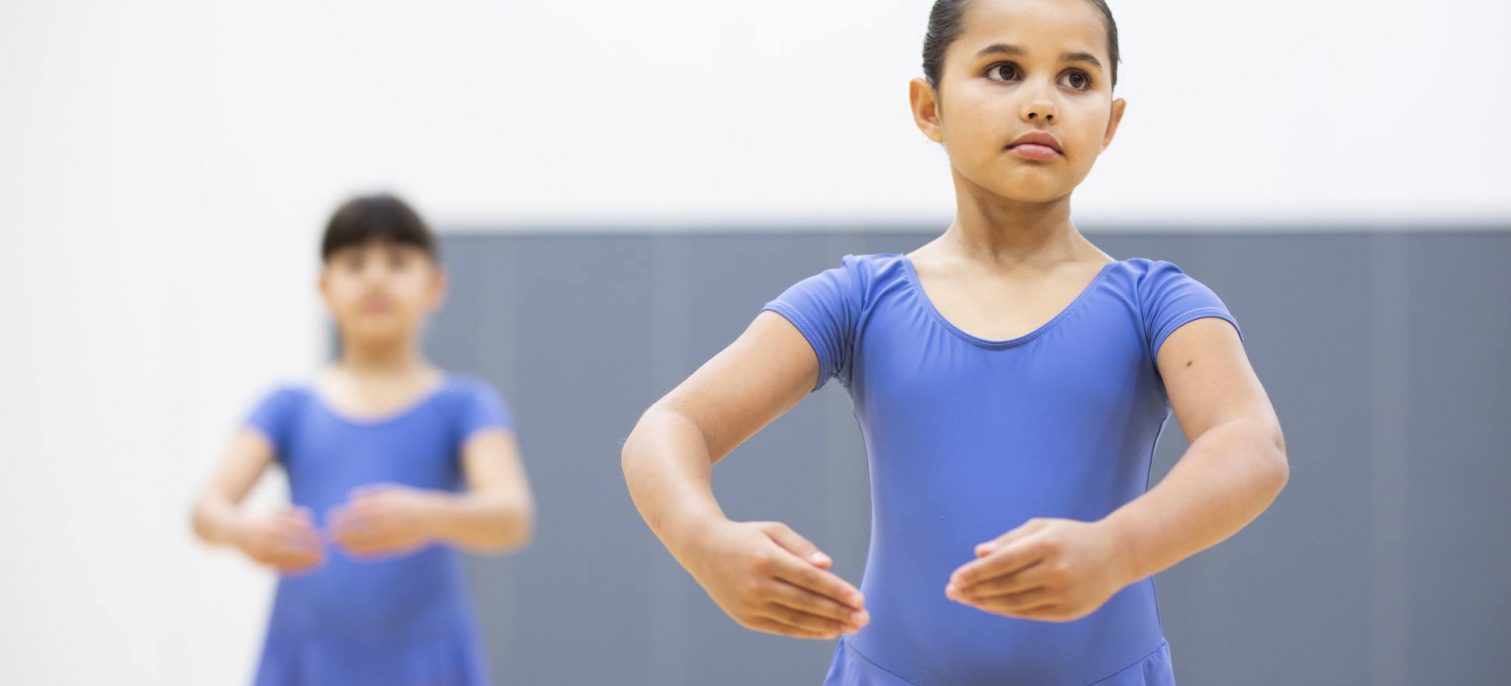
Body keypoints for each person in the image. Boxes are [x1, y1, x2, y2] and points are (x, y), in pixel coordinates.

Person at [620, 1, 1289, 683]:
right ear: (927, 106)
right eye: (1004, 70)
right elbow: (669, 426)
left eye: (1077, 80)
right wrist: (704, 539)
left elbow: (1251, 444)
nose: (1041, 104)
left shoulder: (1160, 302)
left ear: (1112, 121)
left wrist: (1119, 549)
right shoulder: (859, 299)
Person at [191, 193, 536, 685]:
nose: (375, 278)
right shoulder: (288, 406)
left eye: (397, 262)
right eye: (355, 263)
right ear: (325, 286)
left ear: (435, 285)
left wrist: (430, 515)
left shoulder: (465, 405)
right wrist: (243, 532)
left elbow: (512, 516)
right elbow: (206, 510)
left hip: (428, 663)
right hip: (307, 659)